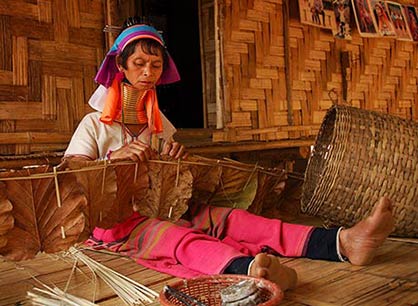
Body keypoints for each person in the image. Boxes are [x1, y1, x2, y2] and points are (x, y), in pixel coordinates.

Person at [64, 18, 395, 292]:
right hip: (116, 224)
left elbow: (172, 172)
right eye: (139, 63)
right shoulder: (94, 123)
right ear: (121, 65)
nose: (148, 72)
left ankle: (342, 241)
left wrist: (178, 158)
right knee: (178, 238)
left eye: (155, 64)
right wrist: (115, 159)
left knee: (238, 220)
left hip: (167, 207)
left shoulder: (159, 123)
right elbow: (70, 177)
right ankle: (249, 269)